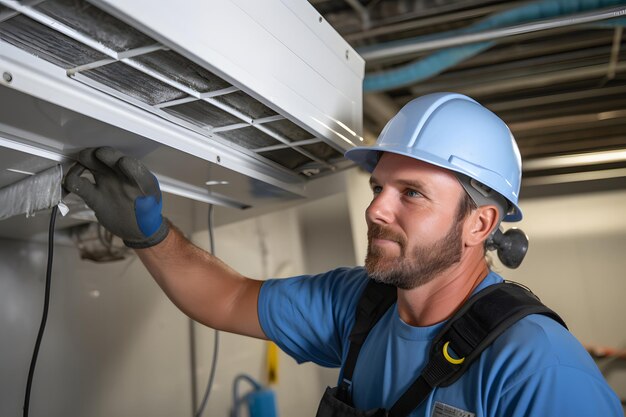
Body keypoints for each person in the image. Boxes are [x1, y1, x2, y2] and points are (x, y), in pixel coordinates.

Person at [64, 92, 623, 417]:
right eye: (380, 187)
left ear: (480, 223)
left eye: (411, 194)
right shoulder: (361, 303)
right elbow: (228, 298)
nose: (377, 210)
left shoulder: (534, 363)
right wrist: (149, 235)